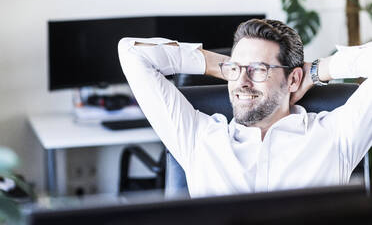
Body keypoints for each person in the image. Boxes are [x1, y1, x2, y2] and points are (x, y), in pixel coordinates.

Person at [118, 19, 372, 198]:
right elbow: (132, 53)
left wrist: (318, 71)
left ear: (293, 79)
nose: (242, 82)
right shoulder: (197, 137)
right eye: (237, 69)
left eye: (259, 70)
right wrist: (228, 66)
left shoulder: (336, 136)